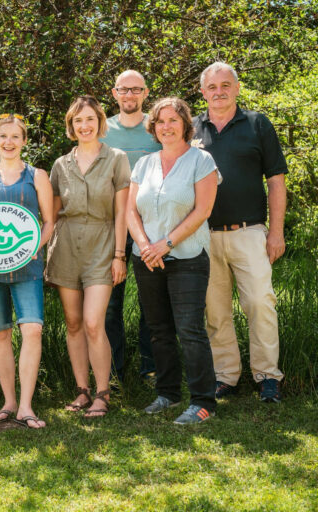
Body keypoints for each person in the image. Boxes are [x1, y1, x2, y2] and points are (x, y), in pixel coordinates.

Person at [192, 62, 287, 403]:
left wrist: (276, 232)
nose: (219, 91)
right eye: (212, 86)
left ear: (236, 88)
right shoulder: (191, 129)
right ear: (203, 92)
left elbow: (276, 181)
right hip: (203, 234)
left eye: (225, 85)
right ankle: (225, 376)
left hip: (250, 231)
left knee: (261, 303)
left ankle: (267, 377)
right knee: (214, 310)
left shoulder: (257, 124)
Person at [127, 97, 219, 424]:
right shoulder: (144, 164)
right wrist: (144, 245)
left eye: (173, 120)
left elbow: (203, 211)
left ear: (184, 125)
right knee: (159, 330)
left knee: (190, 329)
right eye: (160, 121)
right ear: (153, 127)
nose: (166, 126)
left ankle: (203, 400)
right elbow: (130, 211)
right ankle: (167, 393)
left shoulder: (201, 161)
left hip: (188, 257)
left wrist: (165, 244)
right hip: (147, 259)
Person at [45, 96, 129, 419]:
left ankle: (103, 393)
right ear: (71, 125)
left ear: (100, 122)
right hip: (65, 247)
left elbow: (122, 212)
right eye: (78, 120)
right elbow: (51, 216)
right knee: (74, 322)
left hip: (102, 245)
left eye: (90, 119)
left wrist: (119, 255)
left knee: (95, 322)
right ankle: (82, 390)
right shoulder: (60, 165)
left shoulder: (116, 159)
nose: (84, 125)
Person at [0, 114, 53, 429]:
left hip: (27, 264)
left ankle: (27, 407)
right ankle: (9, 402)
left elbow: (48, 221)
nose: (8, 142)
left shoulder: (37, 176)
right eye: (3, 136)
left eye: (15, 137)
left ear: (24, 141)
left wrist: (35, 248)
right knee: (0, 332)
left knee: (32, 330)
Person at [101, 70, 160, 385]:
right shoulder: (102, 131)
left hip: (152, 224)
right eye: (124, 90)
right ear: (114, 93)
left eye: (136, 90)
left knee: (152, 298)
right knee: (111, 301)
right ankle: (112, 372)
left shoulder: (157, 127)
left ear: (145, 93)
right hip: (112, 225)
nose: (130, 95)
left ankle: (151, 369)